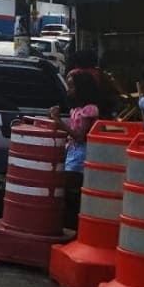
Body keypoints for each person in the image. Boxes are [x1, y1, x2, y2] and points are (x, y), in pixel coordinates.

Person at [50, 71, 103, 227]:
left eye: (72, 87)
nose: (69, 90)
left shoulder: (90, 109)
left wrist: (60, 123)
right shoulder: (76, 109)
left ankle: (72, 224)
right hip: (73, 151)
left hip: (82, 153)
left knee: (71, 189)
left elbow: (81, 136)